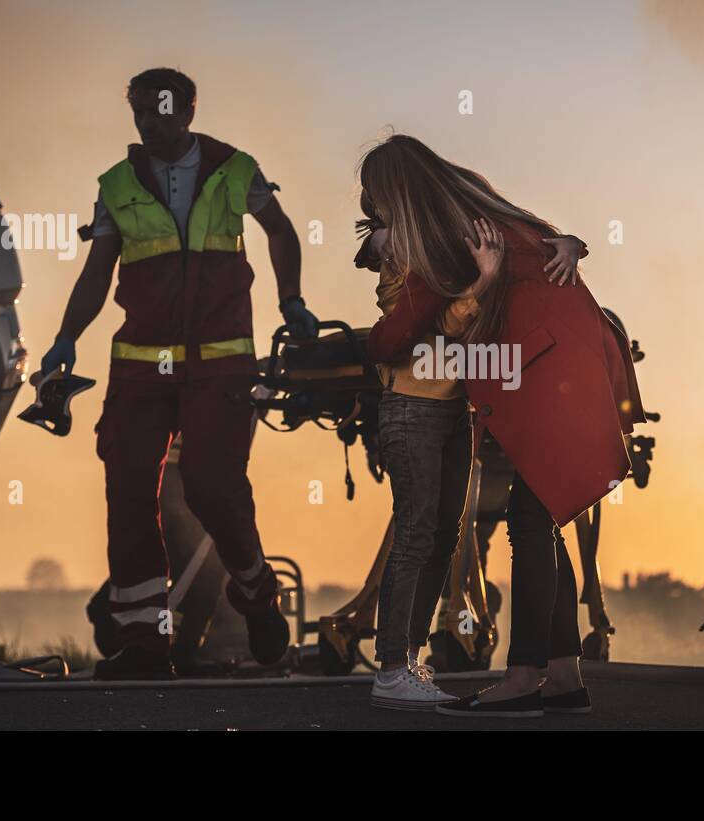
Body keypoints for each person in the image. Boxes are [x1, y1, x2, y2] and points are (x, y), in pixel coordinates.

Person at [40, 68, 319, 680]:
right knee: (129, 491)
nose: (148, 122)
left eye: (160, 111)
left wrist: (292, 301)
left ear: (189, 110)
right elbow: (96, 271)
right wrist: (65, 339)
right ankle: (144, 646)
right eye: (139, 111)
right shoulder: (116, 186)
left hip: (220, 365)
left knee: (211, 487)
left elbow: (280, 231)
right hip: (140, 368)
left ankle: (256, 593)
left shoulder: (236, 168)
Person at [360, 135, 644, 717]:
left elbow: (418, 323)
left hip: (510, 394)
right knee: (509, 526)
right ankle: (550, 676)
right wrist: (552, 249)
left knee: (496, 529)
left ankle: (521, 680)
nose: (369, 208)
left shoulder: (451, 238)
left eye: (376, 197)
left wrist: (558, 247)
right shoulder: (460, 234)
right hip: (512, 391)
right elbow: (399, 334)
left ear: (397, 192)